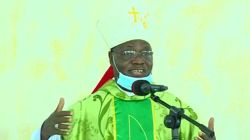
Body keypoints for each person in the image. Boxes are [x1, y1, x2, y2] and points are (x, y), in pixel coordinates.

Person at [31, 39, 216, 140]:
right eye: (128, 52)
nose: (139, 59)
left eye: (146, 52)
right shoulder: (85, 111)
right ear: (111, 58)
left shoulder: (175, 108)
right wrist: (44, 134)